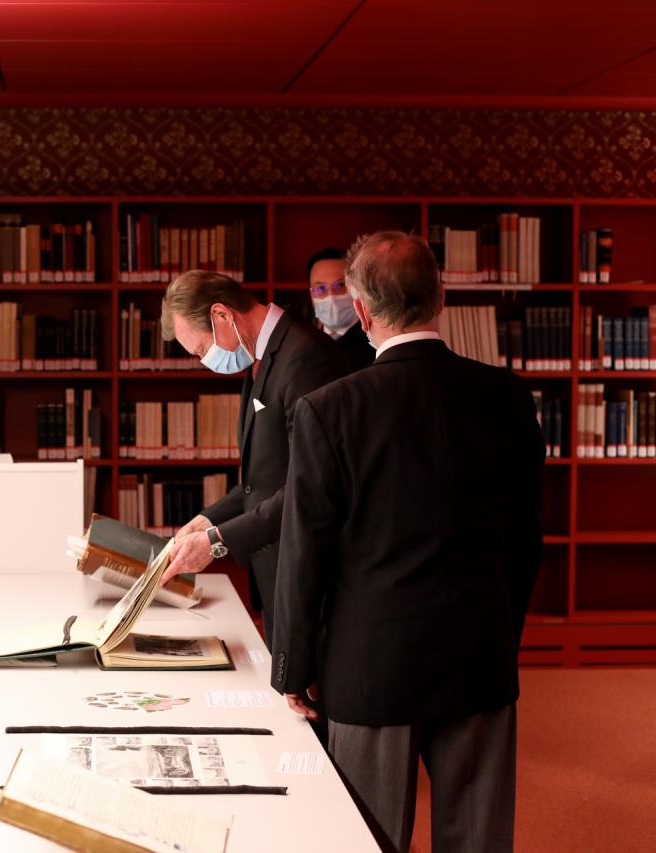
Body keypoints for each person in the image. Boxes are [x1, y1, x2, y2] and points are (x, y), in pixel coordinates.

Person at [272, 231, 544, 853]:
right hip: (479, 653)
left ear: (362, 311)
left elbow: (303, 554)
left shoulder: (327, 410)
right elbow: (528, 538)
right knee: (477, 840)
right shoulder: (508, 397)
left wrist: (292, 664)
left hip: (370, 668)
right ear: (440, 297)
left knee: (368, 840)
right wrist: (503, 635)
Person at [158, 270, 348, 640]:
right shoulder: (260, 355)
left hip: (311, 580)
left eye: (200, 349)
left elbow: (308, 487)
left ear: (222, 315)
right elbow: (262, 480)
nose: (204, 361)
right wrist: (206, 520)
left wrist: (217, 541)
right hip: (277, 569)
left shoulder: (305, 357)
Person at [308, 247, 373, 370]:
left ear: (357, 288)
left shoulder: (374, 342)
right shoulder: (304, 342)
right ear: (311, 294)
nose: (331, 295)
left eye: (341, 285)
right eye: (321, 288)